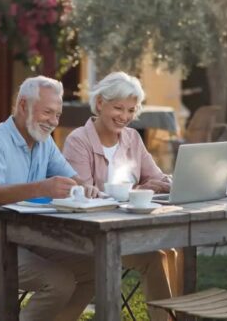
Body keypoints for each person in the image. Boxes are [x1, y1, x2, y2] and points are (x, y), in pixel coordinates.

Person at [0, 76, 100, 321]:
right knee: (60, 282)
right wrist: (42, 188)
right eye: (47, 113)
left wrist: (87, 187)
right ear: (23, 105)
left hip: (23, 241)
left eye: (57, 115)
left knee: (95, 269)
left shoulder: (44, 143)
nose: (53, 122)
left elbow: (75, 180)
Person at [62, 71, 178, 321]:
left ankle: (173, 316)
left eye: (131, 110)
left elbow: (156, 177)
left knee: (171, 251)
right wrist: (139, 191)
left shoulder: (132, 138)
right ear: (101, 103)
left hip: (125, 229)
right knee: (156, 257)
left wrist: (163, 183)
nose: (125, 117)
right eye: (118, 108)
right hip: (89, 236)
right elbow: (86, 195)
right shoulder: (78, 141)